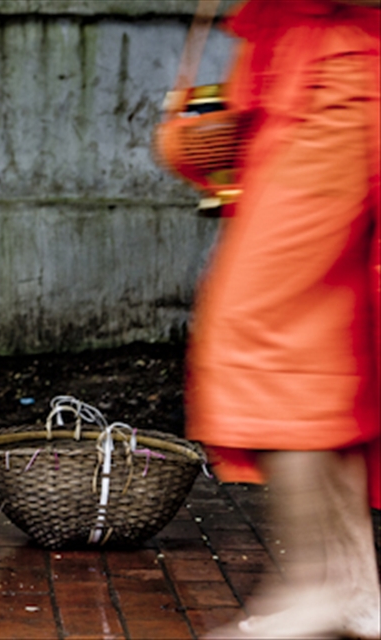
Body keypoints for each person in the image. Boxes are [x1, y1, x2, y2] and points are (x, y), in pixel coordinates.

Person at [181, 0, 381, 637]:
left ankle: (316, 584)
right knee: (326, 337)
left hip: (334, 93)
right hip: (317, 80)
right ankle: (355, 585)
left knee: (258, 332)